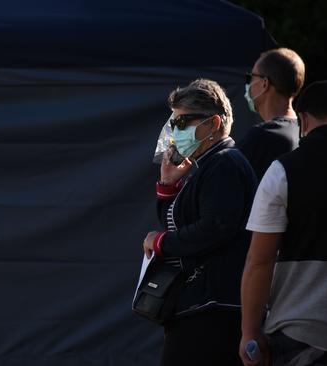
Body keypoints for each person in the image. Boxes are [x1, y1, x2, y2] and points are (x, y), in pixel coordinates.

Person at [239, 80, 327, 366]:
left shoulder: (284, 170)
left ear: (302, 120)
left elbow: (260, 261)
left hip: (302, 335)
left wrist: (250, 332)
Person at [142, 79, 257, 365]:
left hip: (216, 307)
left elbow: (214, 228)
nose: (175, 131)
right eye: (173, 122)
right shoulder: (204, 165)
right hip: (199, 304)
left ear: (213, 123)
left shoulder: (224, 162)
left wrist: (161, 243)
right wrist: (167, 187)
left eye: (182, 122)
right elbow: (180, 226)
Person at [237, 48, 305, 181]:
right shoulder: (303, 130)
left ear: (264, 83)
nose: (248, 84)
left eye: (250, 77)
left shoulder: (262, 137)